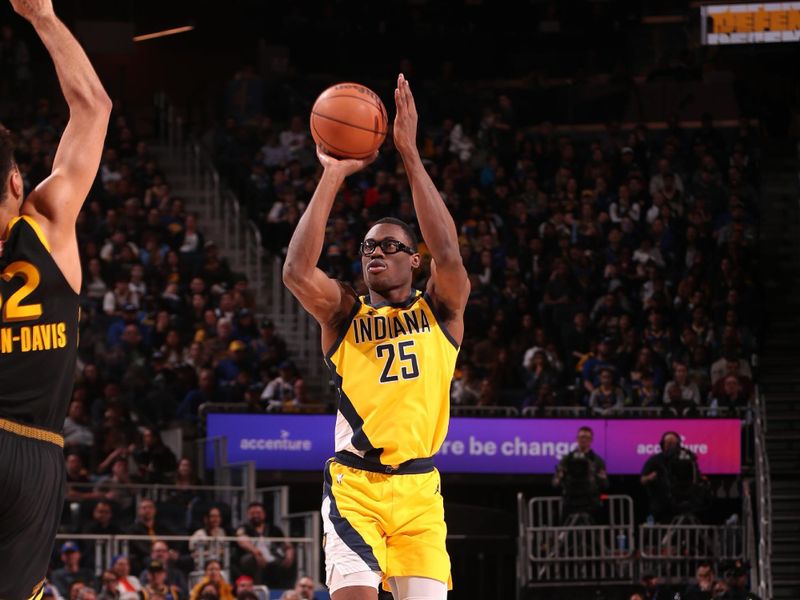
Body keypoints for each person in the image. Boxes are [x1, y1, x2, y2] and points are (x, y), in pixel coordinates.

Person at [283, 74, 469, 599]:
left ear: (414, 259)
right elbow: (297, 270)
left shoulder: (441, 309)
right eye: (367, 248)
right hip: (355, 487)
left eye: (388, 246)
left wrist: (409, 153)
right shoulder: (344, 315)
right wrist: (332, 175)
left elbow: (449, 255)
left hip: (419, 492)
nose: (375, 254)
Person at [0, 1, 111, 598]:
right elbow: (94, 107)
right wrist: (41, 14)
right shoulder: (47, 218)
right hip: (34, 449)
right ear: (17, 182)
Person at [640, 431, 705, 522]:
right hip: (659, 506)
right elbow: (643, 479)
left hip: (680, 503)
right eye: (668, 443)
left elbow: (697, 476)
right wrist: (650, 477)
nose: (670, 445)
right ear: (662, 444)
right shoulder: (655, 460)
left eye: (673, 443)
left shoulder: (687, 459)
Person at [552, 427, 609, 522]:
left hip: (590, 501)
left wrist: (602, 479)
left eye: (587, 437)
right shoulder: (567, 459)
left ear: (591, 440)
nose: (584, 440)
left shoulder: (597, 461)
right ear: (577, 439)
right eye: (582, 437)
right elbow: (555, 482)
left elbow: (605, 485)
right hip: (571, 501)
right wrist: (559, 477)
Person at [235, 501, 295, 588]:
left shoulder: (273, 529)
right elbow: (242, 540)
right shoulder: (244, 528)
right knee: (252, 560)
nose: (255, 515)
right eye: (252, 513)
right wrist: (256, 552)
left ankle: (285, 588)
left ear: (264, 514)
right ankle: (257, 587)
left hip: (272, 557)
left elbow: (286, 543)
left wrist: (289, 553)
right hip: (252, 558)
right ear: (248, 515)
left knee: (288, 560)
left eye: (258, 513)